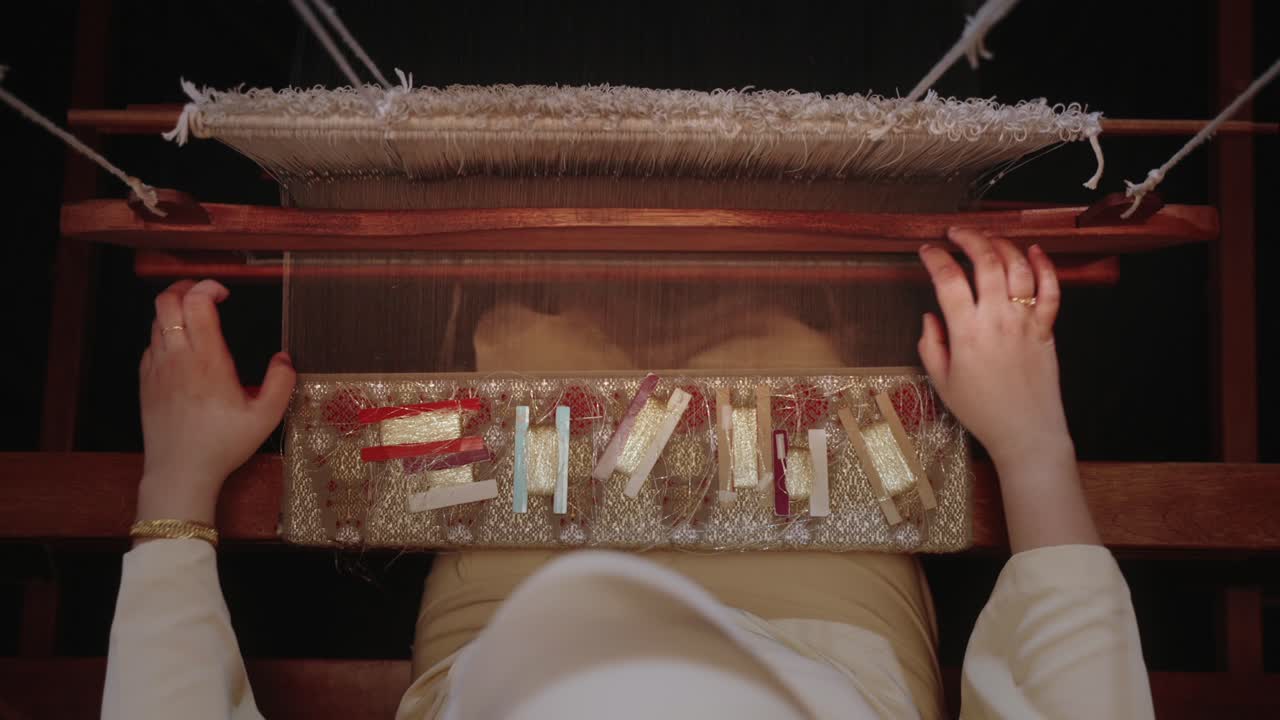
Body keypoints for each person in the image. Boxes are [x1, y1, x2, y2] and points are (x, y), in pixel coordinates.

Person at [103, 229, 1154, 719]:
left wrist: (178, 487)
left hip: (507, 643)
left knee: (530, 332)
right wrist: (1026, 438)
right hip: (821, 628)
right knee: (781, 347)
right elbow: (1076, 702)